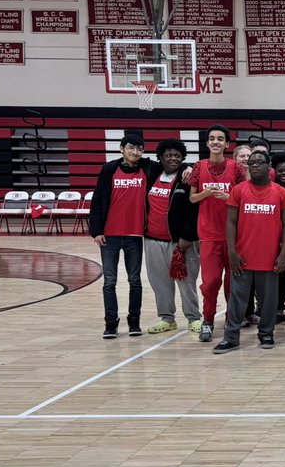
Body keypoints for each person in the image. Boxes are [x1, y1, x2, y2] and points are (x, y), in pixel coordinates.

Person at [213, 149, 285, 353]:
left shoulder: (281, 192)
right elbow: (230, 223)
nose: (255, 165)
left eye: (259, 162)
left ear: (269, 166)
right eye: (251, 163)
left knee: (268, 301)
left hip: (270, 258)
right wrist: (232, 252)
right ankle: (231, 337)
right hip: (242, 257)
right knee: (236, 300)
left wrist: (284, 254)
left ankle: (266, 333)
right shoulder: (238, 190)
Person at [90, 132, 157, 338]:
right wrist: (96, 231)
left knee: (134, 280)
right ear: (122, 149)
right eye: (131, 147)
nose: (135, 152)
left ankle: (134, 321)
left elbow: (172, 164)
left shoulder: (147, 168)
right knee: (109, 282)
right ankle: (111, 323)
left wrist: (188, 168)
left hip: (134, 235)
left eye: (139, 148)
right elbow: (97, 200)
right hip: (109, 235)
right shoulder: (109, 169)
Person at [187, 124, 246, 342]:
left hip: (234, 236)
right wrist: (206, 193)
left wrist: (228, 197)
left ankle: (232, 321)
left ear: (227, 144)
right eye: (212, 138)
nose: (215, 142)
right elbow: (192, 198)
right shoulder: (198, 167)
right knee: (210, 282)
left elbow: (244, 198)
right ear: (207, 143)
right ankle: (208, 320)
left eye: (220, 139)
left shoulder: (236, 168)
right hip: (209, 235)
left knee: (233, 283)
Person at [143, 138, 201, 334]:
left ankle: (194, 318)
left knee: (187, 281)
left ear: (182, 157)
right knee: (159, 282)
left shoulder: (188, 178)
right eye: (168, 155)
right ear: (160, 157)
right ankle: (167, 319)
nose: (173, 158)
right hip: (152, 240)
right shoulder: (152, 174)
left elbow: (196, 210)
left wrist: (187, 237)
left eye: (177, 155)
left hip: (182, 242)